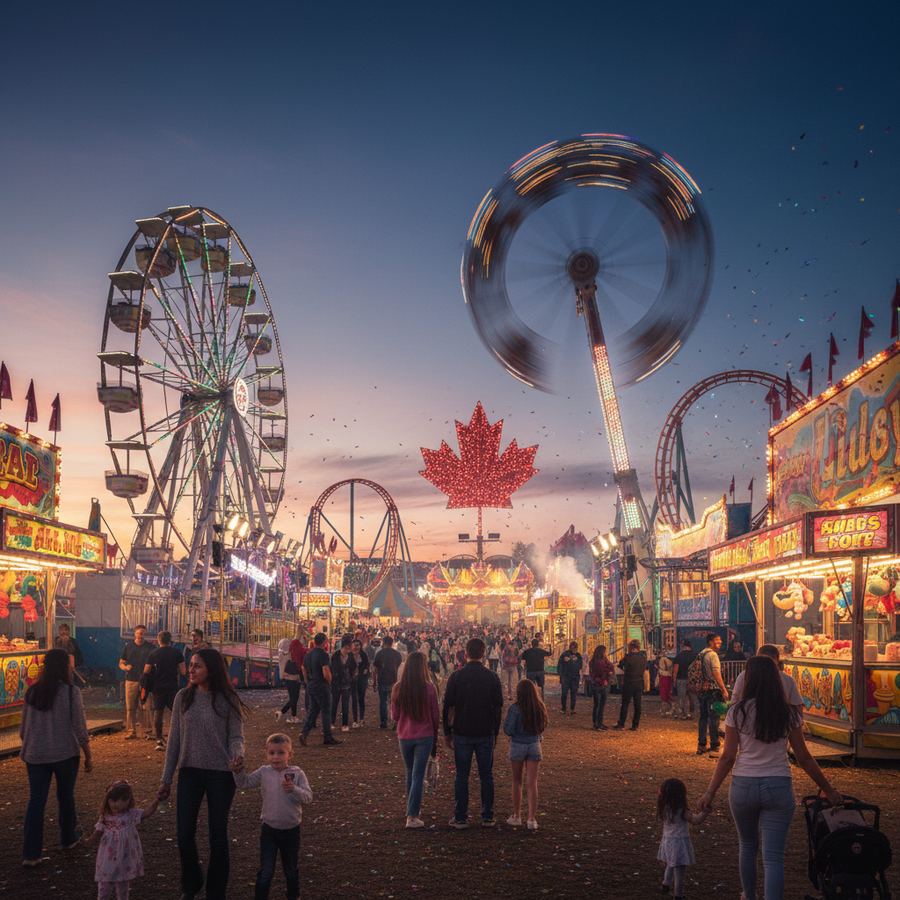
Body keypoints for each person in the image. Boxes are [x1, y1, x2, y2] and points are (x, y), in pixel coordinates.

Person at [698, 656, 842, 900]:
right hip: (778, 784)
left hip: (743, 785)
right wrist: (828, 788)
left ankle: (750, 895)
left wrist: (710, 792)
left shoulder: (737, 712)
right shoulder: (788, 714)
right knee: (773, 856)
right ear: (776, 679)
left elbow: (727, 757)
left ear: (749, 679)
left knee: (747, 846)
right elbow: (805, 758)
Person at [158, 647, 246, 900]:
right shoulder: (182, 698)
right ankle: (191, 882)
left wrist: (237, 754)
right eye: (191, 665)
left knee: (218, 835)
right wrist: (166, 779)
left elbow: (236, 735)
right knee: (184, 833)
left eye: (197, 666)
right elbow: (174, 741)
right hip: (190, 772)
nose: (191, 670)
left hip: (221, 773)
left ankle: (215, 891)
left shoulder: (228, 699)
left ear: (212, 669)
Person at [20, 648, 93, 866]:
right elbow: (80, 728)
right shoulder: (71, 693)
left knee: (36, 801)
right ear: (65, 668)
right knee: (65, 797)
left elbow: (23, 730)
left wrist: (33, 744)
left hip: (35, 755)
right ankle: (68, 838)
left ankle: (31, 854)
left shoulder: (31, 692)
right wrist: (88, 755)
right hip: (65, 754)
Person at [231, 732, 312, 900]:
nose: (276, 757)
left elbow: (308, 797)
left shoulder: (297, 773)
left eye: (281, 752)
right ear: (266, 754)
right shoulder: (264, 772)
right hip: (269, 830)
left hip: (291, 830)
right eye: (272, 753)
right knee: (266, 871)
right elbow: (244, 783)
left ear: (290, 754)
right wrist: (237, 772)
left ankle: (293, 895)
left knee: (290, 869)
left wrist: (294, 790)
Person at [442, 638, 503, 829]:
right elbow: (498, 706)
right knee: (486, 775)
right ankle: (487, 816)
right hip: (485, 731)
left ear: (466, 653)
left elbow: (447, 706)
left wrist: (447, 731)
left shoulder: (457, 676)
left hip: (462, 731)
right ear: (484, 653)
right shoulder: (492, 677)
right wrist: (495, 731)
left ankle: (461, 816)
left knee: (462, 775)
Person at [391, 651, 440, 828]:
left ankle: (411, 809)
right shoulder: (429, 688)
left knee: (410, 772)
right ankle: (412, 814)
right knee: (418, 774)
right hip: (425, 735)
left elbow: (395, 716)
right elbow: (435, 716)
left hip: (405, 735)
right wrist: (436, 737)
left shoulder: (398, 687)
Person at [88, 780, 159, 899]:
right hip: (108, 856)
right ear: (107, 800)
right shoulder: (105, 816)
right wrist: (90, 840)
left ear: (128, 801)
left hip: (125, 857)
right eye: (113, 800)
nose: (116, 804)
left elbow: (147, 813)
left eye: (122, 800)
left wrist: (157, 800)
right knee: (105, 882)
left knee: (123, 883)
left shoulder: (131, 814)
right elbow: (98, 831)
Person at [503, 677, 548, 830]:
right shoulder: (539, 707)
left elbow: (508, 729)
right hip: (534, 744)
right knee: (532, 783)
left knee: (517, 781)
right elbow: (543, 726)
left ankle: (516, 815)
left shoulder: (515, 708)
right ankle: (531, 819)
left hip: (517, 745)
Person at [656, 778, 709, 900]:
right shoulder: (681, 811)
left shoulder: (664, 808)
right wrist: (705, 813)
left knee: (670, 863)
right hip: (679, 843)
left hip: (667, 841)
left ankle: (665, 884)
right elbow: (696, 820)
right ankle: (678, 895)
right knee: (679, 870)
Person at [143, 630, 185, 751]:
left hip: (158, 688)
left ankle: (159, 740)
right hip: (172, 687)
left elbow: (146, 671)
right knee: (177, 713)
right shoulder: (177, 653)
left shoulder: (153, 653)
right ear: (170, 640)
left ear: (158, 640)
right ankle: (178, 738)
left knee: (158, 713)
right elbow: (183, 671)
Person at [731, 644, 803, 712]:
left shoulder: (744, 676)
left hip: (748, 720)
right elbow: (797, 706)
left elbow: (734, 701)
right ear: (777, 659)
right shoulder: (787, 680)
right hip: (778, 721)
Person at [299, 633, 340, 747]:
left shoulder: (309, 654)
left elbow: (303, 669)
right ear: (324, 642)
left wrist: (308, 682)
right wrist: (330, 681)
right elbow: (325, 670)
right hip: (321, 684)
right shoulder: (323, 654)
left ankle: (304, 733)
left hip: (312, 684)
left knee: (313, 710)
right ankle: (327, 736)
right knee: (326, 711)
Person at [695, 633, 728, 758]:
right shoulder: (713, 655)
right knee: (714, 718)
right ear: (710, 642)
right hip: (713, 689)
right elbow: (716, 672)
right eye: (717, 640)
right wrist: (723, 689)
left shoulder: (701, 653)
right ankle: (715, 744)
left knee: (703, 717)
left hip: (702, 689)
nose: (719, 643)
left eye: (720, 640)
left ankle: (701, 744)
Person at [119, 626, 155, 740]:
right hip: (131, 680)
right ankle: (131, 731)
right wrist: (125, 667)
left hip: (145, 681)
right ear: (135, 634)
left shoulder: (150, 647)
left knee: (147, 707)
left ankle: (147, 731)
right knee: (131, 707)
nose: (140, 635)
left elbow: (155, 663)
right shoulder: (128, 647)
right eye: (139, 633)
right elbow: (121, 663)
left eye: (143, 633)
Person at [614, 639, 647, 731]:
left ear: (630, 647)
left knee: (625, 703)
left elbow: (620, 665)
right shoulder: (643, 657)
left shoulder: (628, 657)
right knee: (637, 704)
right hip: (639, 682)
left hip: (629, 682)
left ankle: (621, 723)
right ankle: (635, 725)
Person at [373, 636, 402, 729]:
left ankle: (383, 722)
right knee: (394, 702)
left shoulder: (379, 653)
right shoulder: (397, 654)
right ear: (392, 643)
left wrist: (374, 682)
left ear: (383, 642)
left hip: (382, 680)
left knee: (383, 702)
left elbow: (375, 670)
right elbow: (399, 668)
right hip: (394, 681)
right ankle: (395, 721)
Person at [588, 645, 614, 730]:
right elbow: (607, 669)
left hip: (596, 684)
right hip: (601, 684)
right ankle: (598, 724)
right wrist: (607, 675)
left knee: (597, 704)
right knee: (601, 705)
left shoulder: (593, 661)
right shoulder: (601, 662)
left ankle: (596, 723)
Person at [330, 638, 353, 733]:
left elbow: (353, 667)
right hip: (336, 683)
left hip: (346, 684)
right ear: (344, 647)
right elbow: (332, 668)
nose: (349, 649)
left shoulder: (350, 656)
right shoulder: (335, 655)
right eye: (348, 647)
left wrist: (351, 676)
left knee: (345, 705)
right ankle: (331, 722)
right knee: (334, 704)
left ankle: (345, 724)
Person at [672, 640, 696, 720]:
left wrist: (674, 679)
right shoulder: (695, 656)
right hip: (692, 680)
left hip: (681, 679)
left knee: (682, 697)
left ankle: (682, 714)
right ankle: (690, 713)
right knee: (692, 697)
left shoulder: (679, 656)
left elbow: (676, 669)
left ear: (683, 646)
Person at [351, 638, 370, 727]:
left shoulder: (363, 655)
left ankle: (361, 719)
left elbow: (367, 665)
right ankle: (355, 720)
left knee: (361, 699)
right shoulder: (349, 655)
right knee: (354, 700)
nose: (357, 647)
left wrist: (365, 670)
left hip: (361, 680)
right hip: (352, 681)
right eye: (355, 645)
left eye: (358, 645)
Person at [657, 652, 674, 717]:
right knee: (667, 693)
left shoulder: (662, 660)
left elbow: (661, 668)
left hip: (663, 677)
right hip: (668, 677)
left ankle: (664, 710)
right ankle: (671, 707)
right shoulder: (669, 661)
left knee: (663, 693)